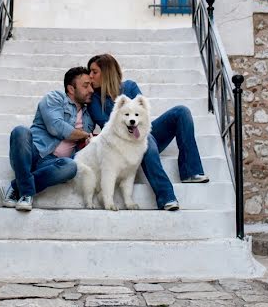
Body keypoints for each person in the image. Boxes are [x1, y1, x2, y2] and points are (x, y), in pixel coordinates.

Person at [86, 54, 208, 212]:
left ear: (107, 72)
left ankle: (190, 171)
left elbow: (143, 116)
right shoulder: (94, 100)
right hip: (122, 143)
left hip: (142, 135)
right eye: (90, 72)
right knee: (147, 140)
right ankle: (166, 197)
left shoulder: (130, 87)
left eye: (94, 72)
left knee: (181, 112)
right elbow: (108, 127)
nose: (90, 76)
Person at [1, 66, 95, 212]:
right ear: (71, 89)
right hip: (32, 153)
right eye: (85, 85)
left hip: (53, 164)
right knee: (20, 131)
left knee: (71, 166)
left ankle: (16, 187)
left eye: (91, 85)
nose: (91, 90)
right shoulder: (55, 97)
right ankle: (26, 193)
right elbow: (55, 127)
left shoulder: (89, 116)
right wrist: (83, 135)